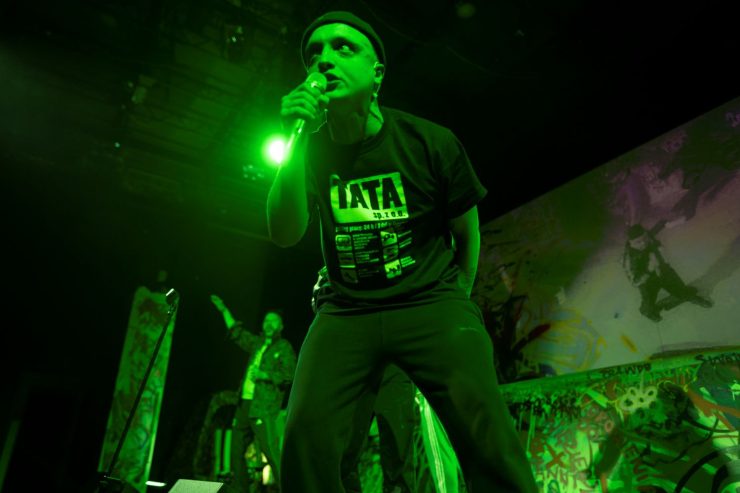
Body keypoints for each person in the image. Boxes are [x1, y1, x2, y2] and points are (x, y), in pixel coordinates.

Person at [267, 10, 538, 493]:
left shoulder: (429, 140)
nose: (324, 60)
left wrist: (456, 300)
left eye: (343, 47)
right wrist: (296, 139)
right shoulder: (309, 149)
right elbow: (284, 233)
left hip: (428, 300)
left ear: (377, 74)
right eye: (314, 53)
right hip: (346, 309)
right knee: (304, 436)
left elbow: (467, 231)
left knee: (485, 428)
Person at [210, 295, 296, 492]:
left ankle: (289, 489)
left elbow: (290, 374)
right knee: (236, 451)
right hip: (244, 404)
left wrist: (265, 375)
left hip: (264, 408)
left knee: (271, 453)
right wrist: (224, 310)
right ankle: (241, 490)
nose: (269, 324)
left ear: (281, 326)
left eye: (274, 321)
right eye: (266, 320)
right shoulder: (257, 343)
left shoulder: (283, 347)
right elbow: (237, 333)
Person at [622, 221, 712, 322]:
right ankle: (647, 312)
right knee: (648, 301)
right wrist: (649, 270)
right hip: (648, 282)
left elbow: (657, 228)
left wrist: (665, 224)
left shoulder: (647, 237)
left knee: (679, 287)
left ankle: (689, 296)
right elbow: (634, 282)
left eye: (644, 239)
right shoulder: (628, 259)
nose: (643, 243)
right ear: (631, 243)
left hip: (663, 271)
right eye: (638, 242)